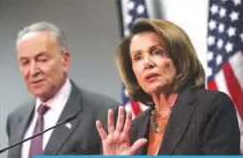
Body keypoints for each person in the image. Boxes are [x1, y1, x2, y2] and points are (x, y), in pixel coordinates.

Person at [96, 18, 241, 155]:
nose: (147, 63)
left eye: (156, 52)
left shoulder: (211, 106)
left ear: (179, 58)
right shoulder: (133, 130)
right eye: (138, 58)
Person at [6, 21, 119, 158]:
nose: (32, 71)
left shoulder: (105, 113)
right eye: (25, 62)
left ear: (64, 60)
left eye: (42, 59)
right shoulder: (16, 118)